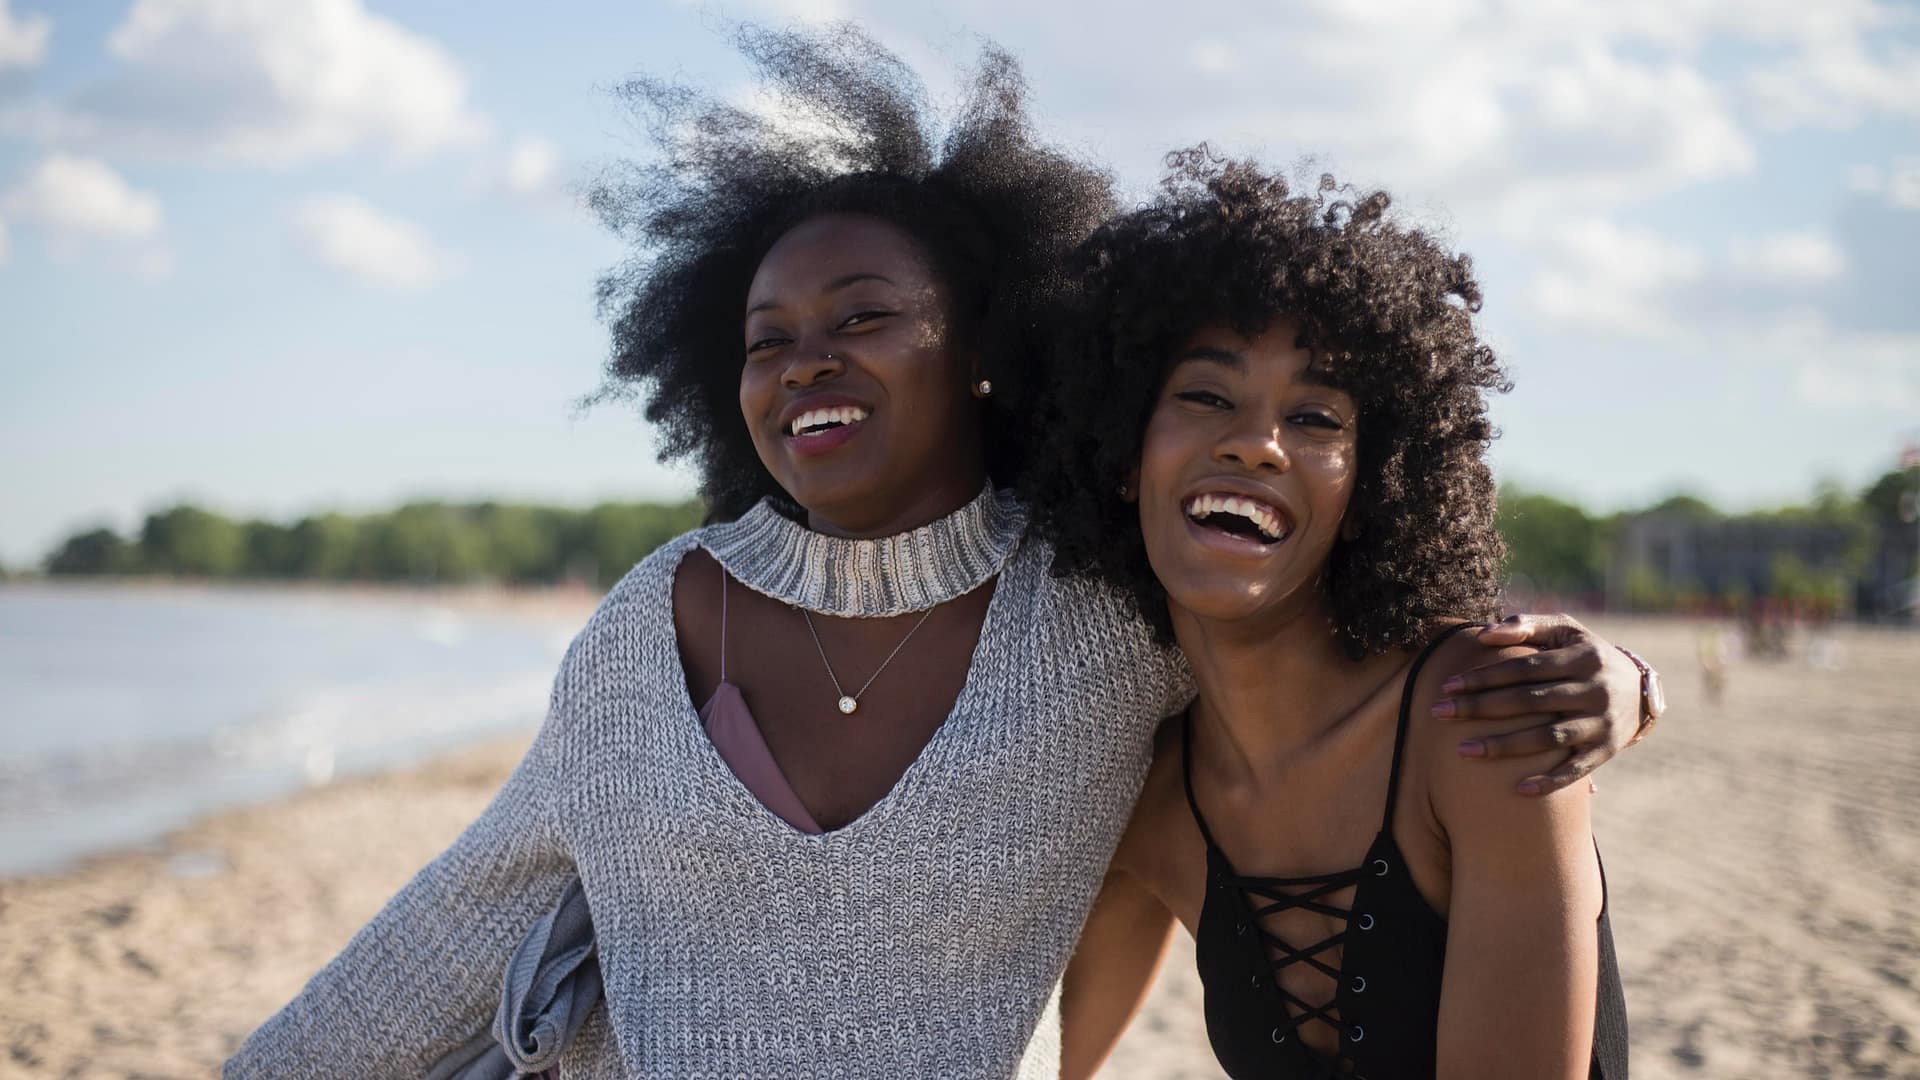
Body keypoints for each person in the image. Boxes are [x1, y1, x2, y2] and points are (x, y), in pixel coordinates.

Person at [229, 28, 1651, 1079]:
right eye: (767, 339)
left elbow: (1332, 641)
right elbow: (453, 929)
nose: (808, 364)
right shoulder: (648, 628)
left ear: (988, 350)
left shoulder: (1101, 616)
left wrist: (1622, 677)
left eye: (863, 317)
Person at [1036, 152, 1630, 1078]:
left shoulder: (1482, 719)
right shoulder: (1148, 799)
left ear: (1373, 486)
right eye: (1205, 394)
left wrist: (1632, 679)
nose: (1257, 444)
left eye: (1316, 418)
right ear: (1120, 451)